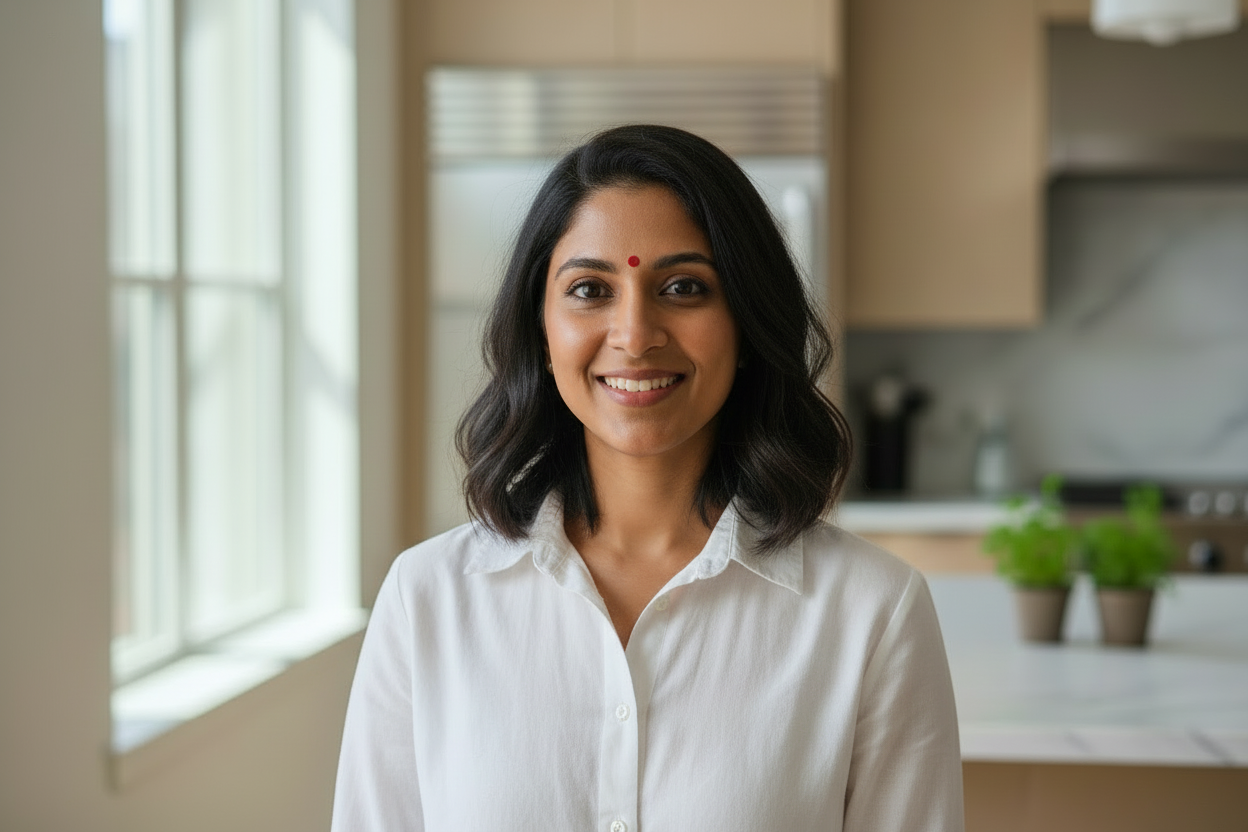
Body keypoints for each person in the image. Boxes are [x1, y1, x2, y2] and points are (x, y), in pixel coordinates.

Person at [331, 124, 964, 831]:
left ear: (748, 325)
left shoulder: (873, 611)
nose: (635, 334)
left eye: (684, 287)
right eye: (591, 289)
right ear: (541, 332)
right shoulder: (427, 602)